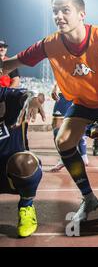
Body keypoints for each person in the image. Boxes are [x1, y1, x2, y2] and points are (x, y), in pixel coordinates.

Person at [0, 0, 98, 226]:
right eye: (55, 11)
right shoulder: (49, 44)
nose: (59, 16)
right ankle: (89, 198)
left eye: (65, 10)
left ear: (81, 14)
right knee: (63, 140)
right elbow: (10, 64)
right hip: (85, 101)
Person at [0, 87, 45, 237]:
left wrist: (32, 100)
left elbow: (26, 95)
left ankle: (26, 206)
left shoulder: (7, 96)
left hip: (9, 172)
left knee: (25, 162)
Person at [49, 83, 89, 172]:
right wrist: (55, 86)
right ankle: (63, 158)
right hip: (63, 94)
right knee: (56, 126)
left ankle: (83, 154)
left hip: (80, 93)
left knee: (80, 123)